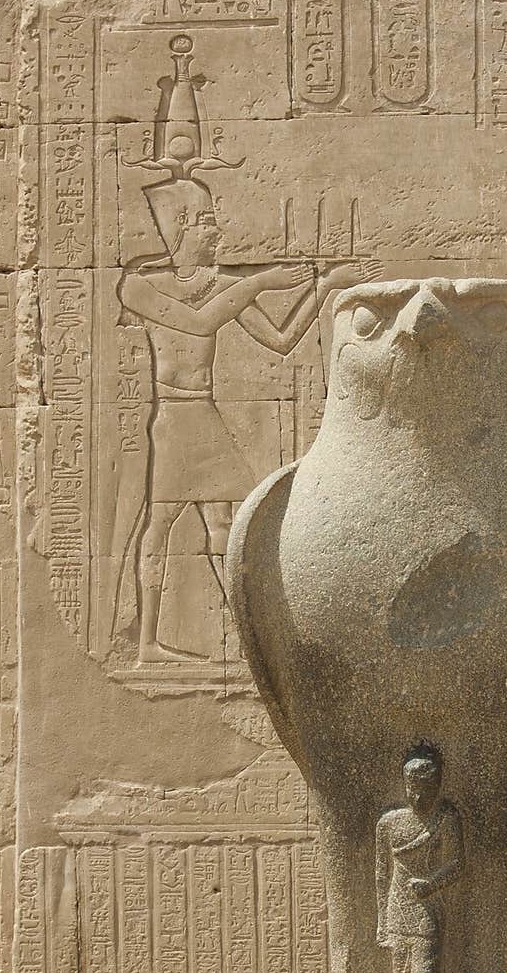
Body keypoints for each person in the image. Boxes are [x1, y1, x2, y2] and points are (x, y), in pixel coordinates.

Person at [116, 175, 379, 662]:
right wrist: (259, 281)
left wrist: (325, 287)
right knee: (162, 523)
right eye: (205, 223)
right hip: (173, 417)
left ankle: (243, 642)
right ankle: (149, 642)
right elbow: (197, 322)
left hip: (204, 413)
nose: (216, 232)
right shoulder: (139, 284)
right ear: (179, 229)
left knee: (226, 524)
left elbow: (279, 341)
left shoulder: (223, 287)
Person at [375, 744, 464, 973]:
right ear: (405, 786)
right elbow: (381, 874)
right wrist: (382, 921)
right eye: (412, 789)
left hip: (427, 907)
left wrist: (431, 883)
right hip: (397, 906)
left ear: (437, 787)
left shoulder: (446, 817)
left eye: (425, 790)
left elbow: (456, 863)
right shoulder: (389, 822)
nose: (417, 798)